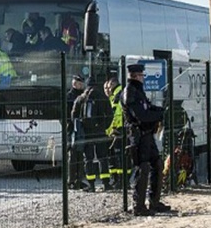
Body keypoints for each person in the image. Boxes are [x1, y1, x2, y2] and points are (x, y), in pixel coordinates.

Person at [121, 64, 171, 216]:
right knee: (142, 168)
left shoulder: (138, 91)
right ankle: (139, 205)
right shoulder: (130, 92)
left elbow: (148, 108)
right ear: (136, 76)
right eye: (142, 75)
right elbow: (140, 115)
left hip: (147, 135)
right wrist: (157, 116)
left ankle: (154, 201)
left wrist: (161, 111)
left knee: (157, 163)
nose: (143, 77)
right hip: (138, 135)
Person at [72, 76, 113, 192]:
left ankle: (91, 185)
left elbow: (73, 116)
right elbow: (110, 115)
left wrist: (80, 128)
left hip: (86, 133)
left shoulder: (80, 98)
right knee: (103, 158)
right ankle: (106, 183)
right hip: (100, 132)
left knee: (88, 159)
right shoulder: (103, 98)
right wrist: (104, 126)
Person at [104, 76, 127, 188]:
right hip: (121, 128)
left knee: (119, 156)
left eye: (109, 87)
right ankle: (120, 181)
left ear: (113, 85)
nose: (108, 90)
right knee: (119, 156)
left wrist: (110, 130)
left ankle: (121, 182)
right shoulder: (119, 93)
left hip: (118, 129)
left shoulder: (117, 95)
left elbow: (115, 115)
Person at [67, 74, 86, 190]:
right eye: (77, 83)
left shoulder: (83, 95)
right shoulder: (69, 96)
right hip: (72, 129)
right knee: (73, 155)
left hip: (81, 128)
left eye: (80, 83)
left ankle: (79, 179)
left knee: (80, 155)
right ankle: (71, 180)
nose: (79, 84)